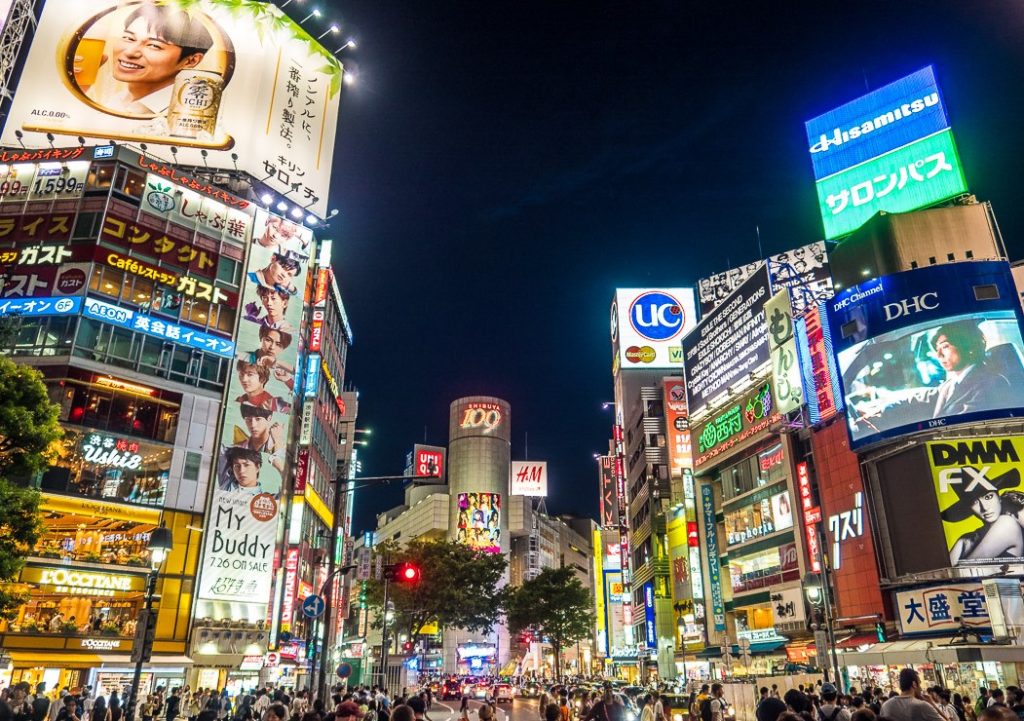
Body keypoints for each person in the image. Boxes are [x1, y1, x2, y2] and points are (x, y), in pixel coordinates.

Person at [86, 3, 214, 115]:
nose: (130, 52)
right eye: (129, 38)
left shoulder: (185, 113)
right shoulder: (117, 99)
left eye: (154, 45)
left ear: (191, 61)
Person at [940, 465, 1024, 565]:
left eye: (988, 496)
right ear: (969, 508)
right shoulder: (966, 540)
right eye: (974, 502)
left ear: (999, 497)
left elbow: (963, 569)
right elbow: (947, 573)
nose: (984, 507)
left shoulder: (1007, 523)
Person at [880, 669, 946, 721]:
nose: (920, 688)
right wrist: (932, 704)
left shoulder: (886, 705)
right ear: (914, 684)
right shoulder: (922, 706)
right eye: (919, 683)